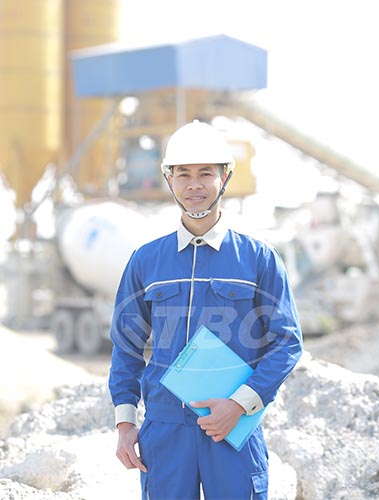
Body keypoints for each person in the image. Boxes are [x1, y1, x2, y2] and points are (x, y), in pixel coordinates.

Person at [108, 119, 303, 500]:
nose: (193, 184)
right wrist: (125, 423)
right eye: (183, 174)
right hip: (165, 429)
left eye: (205, 173)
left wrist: (240, 404)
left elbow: (287, 343)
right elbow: (126, 347)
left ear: (225, 177)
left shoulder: (258, 258)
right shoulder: (146, 261)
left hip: (233, 427)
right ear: (169, 179)